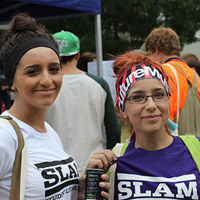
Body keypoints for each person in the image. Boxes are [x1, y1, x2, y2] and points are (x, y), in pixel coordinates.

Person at [0, 13, 110, 200]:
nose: (46, 80)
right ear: (12, 82)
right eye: (33, 71)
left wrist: (78, 192)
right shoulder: (4, 136)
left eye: (53, 69)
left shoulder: (49, 133)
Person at [89, 51, 200, 199]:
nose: (151, 105)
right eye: (138, 97)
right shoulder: (111, 164)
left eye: (159, 94)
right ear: (122, 109)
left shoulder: (196, 151)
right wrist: (88, 191)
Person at [46, 30, 121, 176]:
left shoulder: (45, 86)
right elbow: (113, 130)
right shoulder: (98, 84)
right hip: (93, 166)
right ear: (78, 56)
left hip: (55, 170)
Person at [145, 27, 200, 135]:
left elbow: (162, 117)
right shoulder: (193, 74)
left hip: (175, 146)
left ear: (155, 49)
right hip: (195, 145)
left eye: (149, 54)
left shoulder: (161, 72)